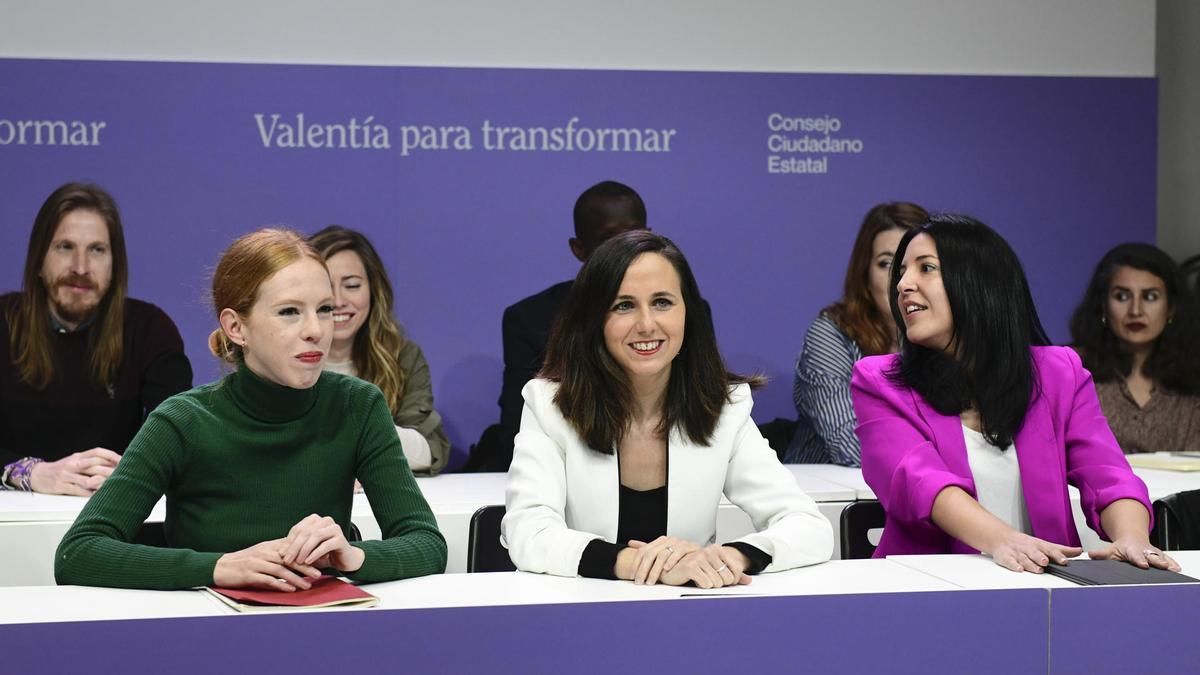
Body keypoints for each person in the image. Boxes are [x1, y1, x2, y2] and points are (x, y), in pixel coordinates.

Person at [56, 228, 446, 590]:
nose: (316, 329)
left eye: (324, 309)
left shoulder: (358, 405)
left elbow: (427, 543)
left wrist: (354, 557)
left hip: (320, 629)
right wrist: (218, 568)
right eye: (289, 311)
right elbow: (78, 553)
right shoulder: (182, 421)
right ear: (236, 328)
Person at [503, 230, 833, 587]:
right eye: (623, 305)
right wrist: (641, 564)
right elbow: (528, 533)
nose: (647, 325)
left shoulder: (724, 407)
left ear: (688, 313)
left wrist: (727, 558)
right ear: (593, 320)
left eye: (662, 302)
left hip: (692, 618)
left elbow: (808, 526)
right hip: (582, 614)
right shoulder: (550, 405)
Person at [852, 215, 1178, 573]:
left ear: (980, 284)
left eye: (926, 268)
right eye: (901, 272)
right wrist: (1002, 539)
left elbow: (1107, 474)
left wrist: (1132, 538)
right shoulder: (879, 381)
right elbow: (918, 481)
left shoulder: (1058, 373)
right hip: (927, 587)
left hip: (1046, 584)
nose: (903, 284)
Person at [0, 183, 191, 495]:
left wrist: (131, 474)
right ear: (38, 259)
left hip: (116, 516)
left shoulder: (150, 330)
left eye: (97, 250)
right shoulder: (3, 323)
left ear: (115, 266)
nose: (80, 267)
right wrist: (31, 473)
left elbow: (178, 437)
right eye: (65, 247)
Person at [466, 180, 649, 472]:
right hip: (566, 472)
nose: (624, 250)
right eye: (609, 239)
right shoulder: (530, 320)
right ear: (579, 248)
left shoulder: (684, 312)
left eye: (634, 234)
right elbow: (519, 428)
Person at [786, 202, 927, 466]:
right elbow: (850, 444)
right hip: (834, 499)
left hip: (925, 489)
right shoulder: (831, 334)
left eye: (922, 266)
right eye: (887, 263)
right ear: (864, 272)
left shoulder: (944, 338)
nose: (901, 280)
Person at [308, 225, 451, 475]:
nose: (339, 300)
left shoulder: (403, 357)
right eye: (326, 286)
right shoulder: (283, 360)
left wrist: (354, 427)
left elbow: (429, 451)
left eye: (352, 285)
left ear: (374, 291)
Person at [1069, 243, 1200, 454]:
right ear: (1103, 305)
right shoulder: (1073, 372)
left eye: (1150, 297)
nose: (1135, 310)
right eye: (1122, 296)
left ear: (1171, 308)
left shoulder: (1194, 377)